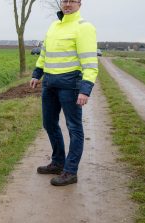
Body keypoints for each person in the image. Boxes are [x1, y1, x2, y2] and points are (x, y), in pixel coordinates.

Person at [30, 0, 98, 186]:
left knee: (74, 127)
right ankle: (58, 162)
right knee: (49, 123)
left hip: (70, 85)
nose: (67, 4)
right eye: (64, 1)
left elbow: (90, 62)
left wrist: (85, 89)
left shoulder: (84, 27)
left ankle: (70, 171)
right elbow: (45, 53)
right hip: (49, 84)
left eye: (71, 1)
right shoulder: (54, 26)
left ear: (79, 3)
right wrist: (37, 74)